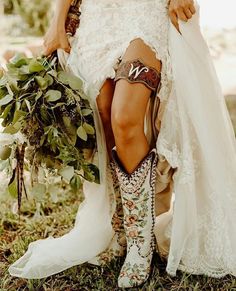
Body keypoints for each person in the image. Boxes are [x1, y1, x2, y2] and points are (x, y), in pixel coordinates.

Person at [9, 0, 236, 288]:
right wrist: (58, 22)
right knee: (103, 116)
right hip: (99, 15)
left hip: (145, 11)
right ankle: (122, 229)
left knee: (125, 115)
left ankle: (140, 244)